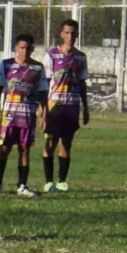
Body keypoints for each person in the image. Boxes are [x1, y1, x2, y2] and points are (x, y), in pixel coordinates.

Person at [0, 33, 48, 197]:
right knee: (5, 147)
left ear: (32, 49)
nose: (25, 51)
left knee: (25, 149)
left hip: (28, 115)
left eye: (28, 48)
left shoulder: (37, 68)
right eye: (22, 48)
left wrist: (44, 113)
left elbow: (43, 92)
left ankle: (22, 185)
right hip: (9, 115)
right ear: (16, 48)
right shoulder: (6, 65)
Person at [42, 17, 91, 192]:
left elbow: (83, 83)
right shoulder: (51, 55)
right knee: (51, 142)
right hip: (55, 105)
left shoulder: (80, 57)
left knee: (66, 143)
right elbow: (45, 82)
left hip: (72, 105)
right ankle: (48, 182)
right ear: (61, 34)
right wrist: (43, 108)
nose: (70, 36)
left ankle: (62, 181)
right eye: (67, 33)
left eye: (73, 33)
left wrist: (85, 108)